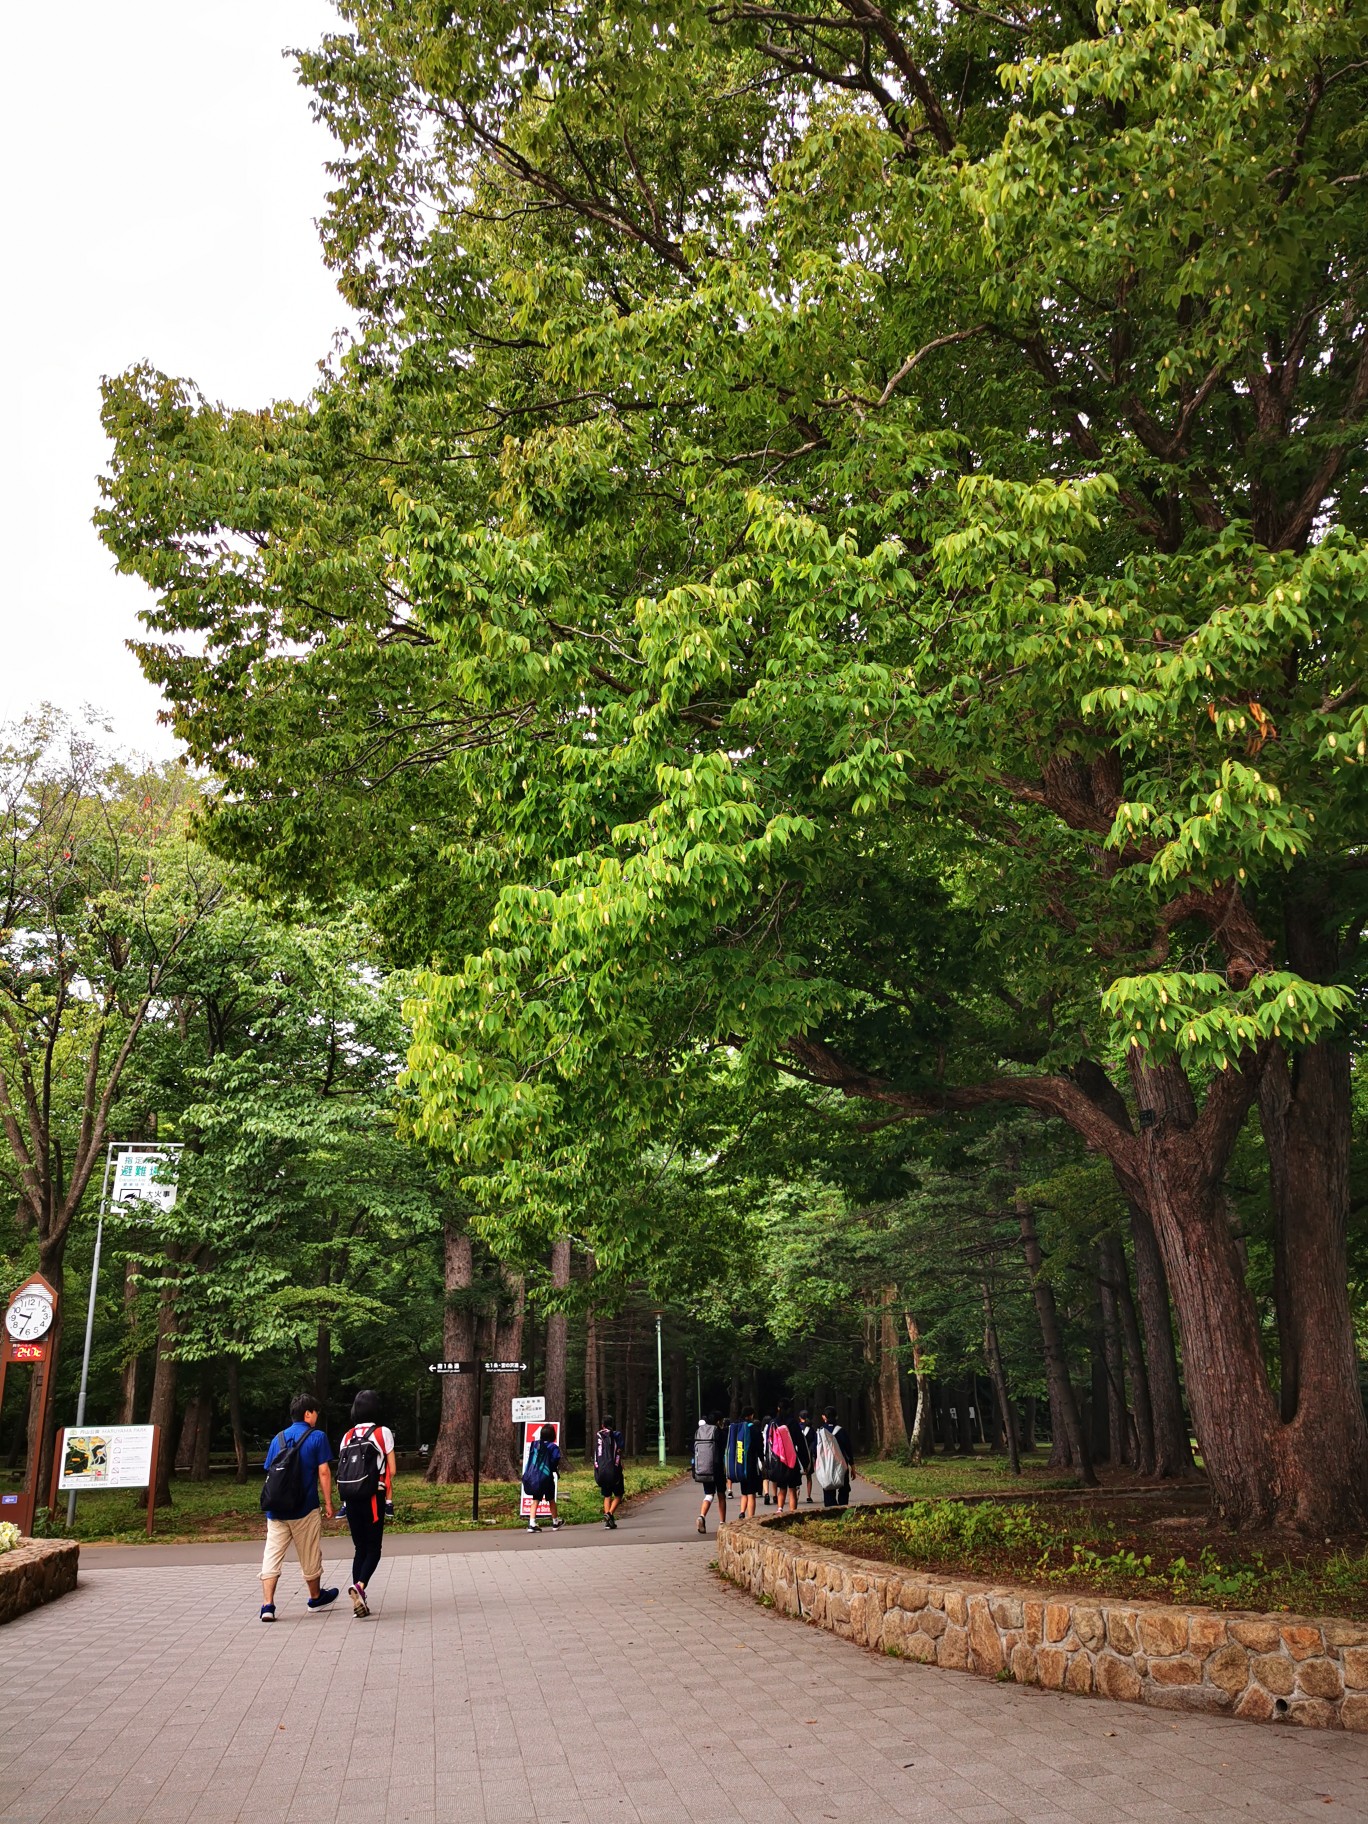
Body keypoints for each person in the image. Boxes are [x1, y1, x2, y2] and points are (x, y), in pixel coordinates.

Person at [259, 1393, 338, 1621]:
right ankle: (315, 1598)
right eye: (315, 1413)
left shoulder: (278, 1439)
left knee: (272, 1555)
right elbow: (323, 1471)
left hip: (276, 1510)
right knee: (310, 1553)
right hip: (305, 1509)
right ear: (307, 1413)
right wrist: (329, 1502)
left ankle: (267, 1605)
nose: (316, 1417)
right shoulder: (318, 1437)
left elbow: (270, 1471)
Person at [336, 1389, 396, 1618]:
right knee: (374, 1549)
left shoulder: (347, 1435)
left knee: (359, 1548)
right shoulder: (382, 1432)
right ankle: (360, 1586)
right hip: (373, 1497)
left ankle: (358, 1599)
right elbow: (393, 1469)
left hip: (350, 1497)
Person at [523, 1423, 565, 1532]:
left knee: (535, 1499)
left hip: (536, 1477)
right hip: (547, 1477)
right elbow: (555, 1460)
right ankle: (555, 1522)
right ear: (553, 1435)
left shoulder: (536, 1445)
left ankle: (532, 1523)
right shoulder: (553, 1447)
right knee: (551, 1499)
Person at [693, 1410, 727, 1534]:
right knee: (721, 1494)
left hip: (704, 1468)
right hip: (717, 1468)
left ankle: (701, 1516)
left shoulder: (700, 1431)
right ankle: (722, 1523)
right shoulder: (718, 1431)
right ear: (718, 1421)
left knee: (709, 1494)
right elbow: (724, 1447)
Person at [729, 1406, 764, 1519]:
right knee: (751, 1493)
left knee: (744, 1491)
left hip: (739, 1463)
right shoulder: (753, 1428)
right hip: (750, 1464)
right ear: (751, 1415)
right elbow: (759, 1446)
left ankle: (742, 1511)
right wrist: (762, 1460)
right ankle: (750, 1517)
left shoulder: (737, 1427)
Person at [816, 1407, 855, 1508]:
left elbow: (815, 1449)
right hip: (842, 1464)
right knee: (844, 1487)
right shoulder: (841, 1431)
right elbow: (848, 1449)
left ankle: (831, 1509)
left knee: (828, 1487)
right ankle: (843, 1508)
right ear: (836, 1416)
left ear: (824, 1417)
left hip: (826, 1465)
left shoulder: (820, 1432)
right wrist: (852, 1466)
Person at [593, 1413, 625, 1529]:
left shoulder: (599, 1436)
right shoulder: (617, 1435)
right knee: (618, 1495)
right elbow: (620, 1449)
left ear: (602, 1425)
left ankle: (608, 1522)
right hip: (615, 1470)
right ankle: (610, 1513)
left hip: (602, 1470)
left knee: (607, 1496)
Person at [770, 1402, 802, 1514]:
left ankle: (780, 1510)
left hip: (779, 1460)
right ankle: (793, 1513)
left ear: (778, 1408)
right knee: (792, 1489)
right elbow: (801, 1443)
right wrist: (806, 1462)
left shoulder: (773, 1423)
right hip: (792, 1460)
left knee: (782, 1488)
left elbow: (769, 1443)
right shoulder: (793, 1423)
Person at [796, 1409, 818, 1504]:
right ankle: (809, 1496)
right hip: (808, 1455)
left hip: (798, 1455)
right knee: (809, 1477)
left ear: (800, 1418)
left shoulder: (796, 1428)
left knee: (797, 1477)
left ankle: (796, 1495)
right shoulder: (811, 1429)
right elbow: (814, 1443)